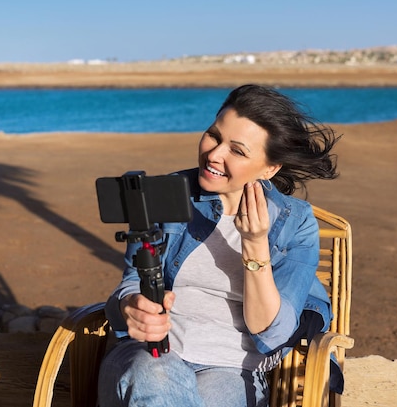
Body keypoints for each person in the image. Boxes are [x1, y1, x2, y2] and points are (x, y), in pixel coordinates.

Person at [98, 84, 341, 407]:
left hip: (231, 368)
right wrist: (131, 305)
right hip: (151, 353)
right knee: (155, 376)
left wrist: (254, 244)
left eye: (237, 151)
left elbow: (272, 333)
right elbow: (131, 281)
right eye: (214, 135)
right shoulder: (167, 194)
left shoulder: (295, 223)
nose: (214, 155)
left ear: (270, 168)